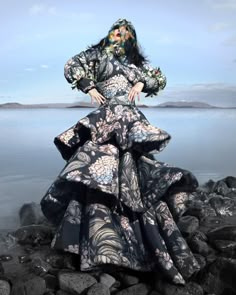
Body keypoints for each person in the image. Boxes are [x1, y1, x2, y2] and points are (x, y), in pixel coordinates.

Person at [40, 18, 200, 285]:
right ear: (110, 32)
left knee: (133, 175)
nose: (120, 36)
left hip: (131, 120)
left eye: (126, 33)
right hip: (105, 118)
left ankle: (133, 242)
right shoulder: (96, 54)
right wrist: (88, 87)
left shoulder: (137, 63)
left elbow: (158, 77)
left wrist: (141, 84)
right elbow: (72, 64)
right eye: (117, 31)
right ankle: (99, 243)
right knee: (97, 175)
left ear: (132, 38)